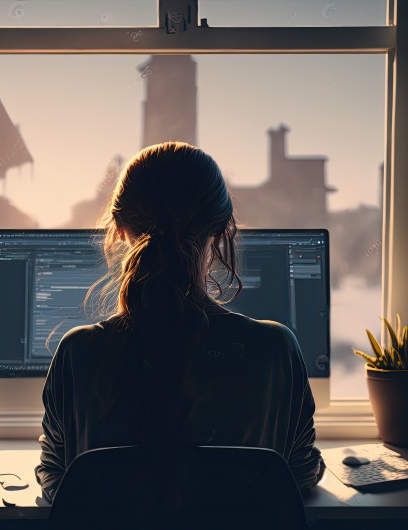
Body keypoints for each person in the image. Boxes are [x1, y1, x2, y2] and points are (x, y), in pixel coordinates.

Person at [35, 141, 325, 504]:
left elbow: (58, 481)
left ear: (120, 226)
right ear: (221, 230)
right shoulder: (275, 350)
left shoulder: (78, 354)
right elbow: (298, 472)